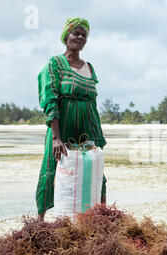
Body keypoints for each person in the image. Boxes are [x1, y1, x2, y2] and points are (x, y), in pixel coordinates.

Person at [35, 17, 107, 222]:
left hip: (87, 126)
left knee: (96, 170)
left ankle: (102, 218)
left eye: (84, 35)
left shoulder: (89, 68)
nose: (80, 37)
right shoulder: (54, 64)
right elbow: (50, 100)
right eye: (76, 33)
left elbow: (92, 104)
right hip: (62, 125)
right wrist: (56, 138)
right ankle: (40, 222)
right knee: (52, 167)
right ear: (66, 36)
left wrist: (97, 137)